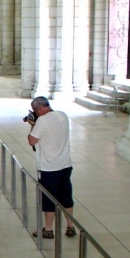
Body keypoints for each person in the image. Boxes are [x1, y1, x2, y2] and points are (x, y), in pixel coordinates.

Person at [26, 96, 76, 239]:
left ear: (40, 109)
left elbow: (32, 141)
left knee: (49, 199)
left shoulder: (42, 121)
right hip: (65, 164)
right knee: (66, 196)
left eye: (35, 110)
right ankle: (70, 226)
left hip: (49, 168)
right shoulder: (63, 115)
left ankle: (48, 230)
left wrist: (33, 125)